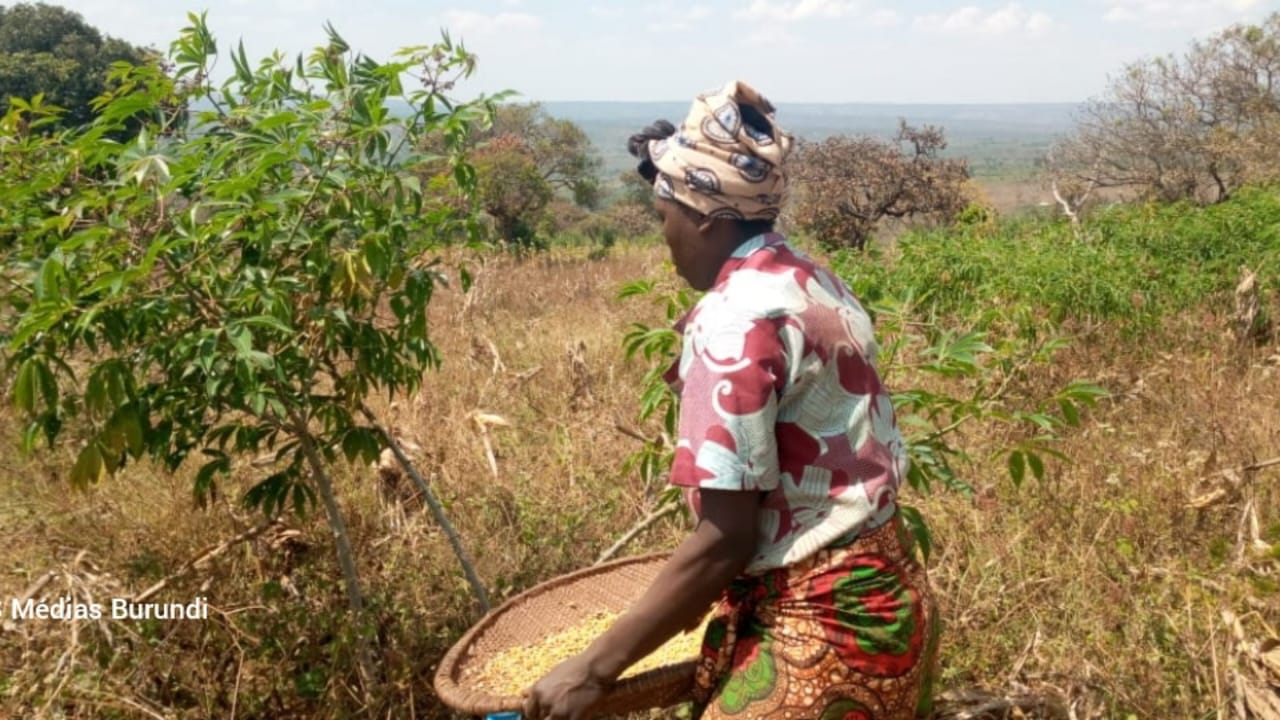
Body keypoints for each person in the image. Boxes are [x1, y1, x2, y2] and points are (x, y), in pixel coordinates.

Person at [523, 80, 939, 720]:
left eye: (664, 217)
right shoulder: (811, 278)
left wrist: (592, 668)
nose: (664, 238)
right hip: (887, 600)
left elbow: (726, 538)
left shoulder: (734, 322)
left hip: (819, 629)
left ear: (706, 217)